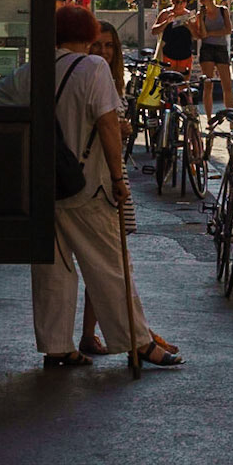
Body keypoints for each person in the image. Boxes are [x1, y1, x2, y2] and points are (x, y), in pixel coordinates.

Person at [0, 5, 180, 369]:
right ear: (89, 34)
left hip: (44, 187)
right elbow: (109, 126)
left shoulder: (31, 73)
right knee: (110, 265)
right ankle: (137, 342)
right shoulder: (93, 68)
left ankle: (56, 346)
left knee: (52, 268)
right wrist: (119, 178)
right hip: (87, 186)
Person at [78, 20, 178, 361]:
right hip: (103, 181)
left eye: (109, 46)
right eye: (97, 46)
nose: (103, 52)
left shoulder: (113, 81)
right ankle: (137, 336)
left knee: (106, 263)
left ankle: (94, 333)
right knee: (111, 264)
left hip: (114, 176)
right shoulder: (90, 77)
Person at [195, 0, 233, 118]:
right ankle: (208, 118)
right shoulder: (202, 14)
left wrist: (212, 33)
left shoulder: (222, 11)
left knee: (227, 84)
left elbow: (228, 29)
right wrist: (200, 19)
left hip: (220, 48)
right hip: (207, 49)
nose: (202, 1)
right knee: (208, 84)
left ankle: (231, 117)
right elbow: (202, 34)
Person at [153, 0, 196, 75]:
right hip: (168, 54)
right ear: (172, 1)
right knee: (168, 82)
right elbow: (154, 31)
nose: (181, 4)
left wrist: (190, 27)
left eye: (184, 1)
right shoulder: (166, 13)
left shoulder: (189, 15)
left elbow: (196, 36)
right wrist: (166, 22)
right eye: (178, 2)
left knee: (183, 83)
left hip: (185, 53)